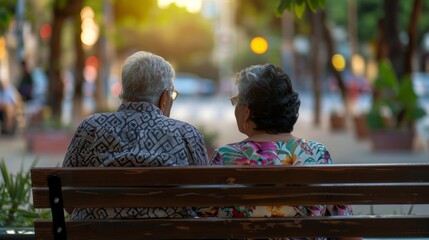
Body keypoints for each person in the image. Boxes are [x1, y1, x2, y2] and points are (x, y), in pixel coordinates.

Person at [200, 64, 360, 240]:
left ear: (246, 112)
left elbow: (205, 222)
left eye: (236, 101)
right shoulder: (317, 153)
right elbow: (345, 224)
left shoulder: (226, 156)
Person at [63, 51, 209, 219]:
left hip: (96, 234)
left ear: (123, 92)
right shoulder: (187, 134)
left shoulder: (90, 128)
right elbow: (202, 201)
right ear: (164, 97)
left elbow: (68, 199)